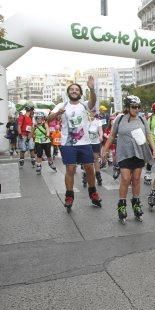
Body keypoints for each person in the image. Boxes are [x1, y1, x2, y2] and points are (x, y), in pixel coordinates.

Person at [101, 96, 155, 222]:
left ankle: (136, 203)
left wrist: (153, 149)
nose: (136, 109)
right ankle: (122, 205)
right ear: (128, 107)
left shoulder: (142, 120)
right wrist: (105, 150)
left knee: (137, 179)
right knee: (126, 179)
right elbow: (111, 136)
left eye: (138, 107)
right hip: (123, 154)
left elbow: (148, 135)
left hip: (138, 153)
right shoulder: (119, 119)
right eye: (134, 107)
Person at [48, 77, 102, 211]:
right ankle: (69, 195)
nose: (74, 91)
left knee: (89, 168)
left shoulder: (84, 104)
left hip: (84, 142)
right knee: (70, 169)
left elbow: (93, 101)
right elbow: (48, 119)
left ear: (80, 92)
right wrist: (57, 114)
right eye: (71, 89)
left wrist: (92, 89)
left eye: (76, 89)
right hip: (68, 143)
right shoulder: (62, 105)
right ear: (68, 92)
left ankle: (93, 192)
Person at [83, 113, 104, 187]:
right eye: (90, 111)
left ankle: (98, 176)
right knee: (87, 160)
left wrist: (101, 136)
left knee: (96, 159)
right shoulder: (84, 121)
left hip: (95, 142)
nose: (92, 113)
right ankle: (85, 176)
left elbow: (100, 130)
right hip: (86, 143)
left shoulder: (98, 121)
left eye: (93, 111)